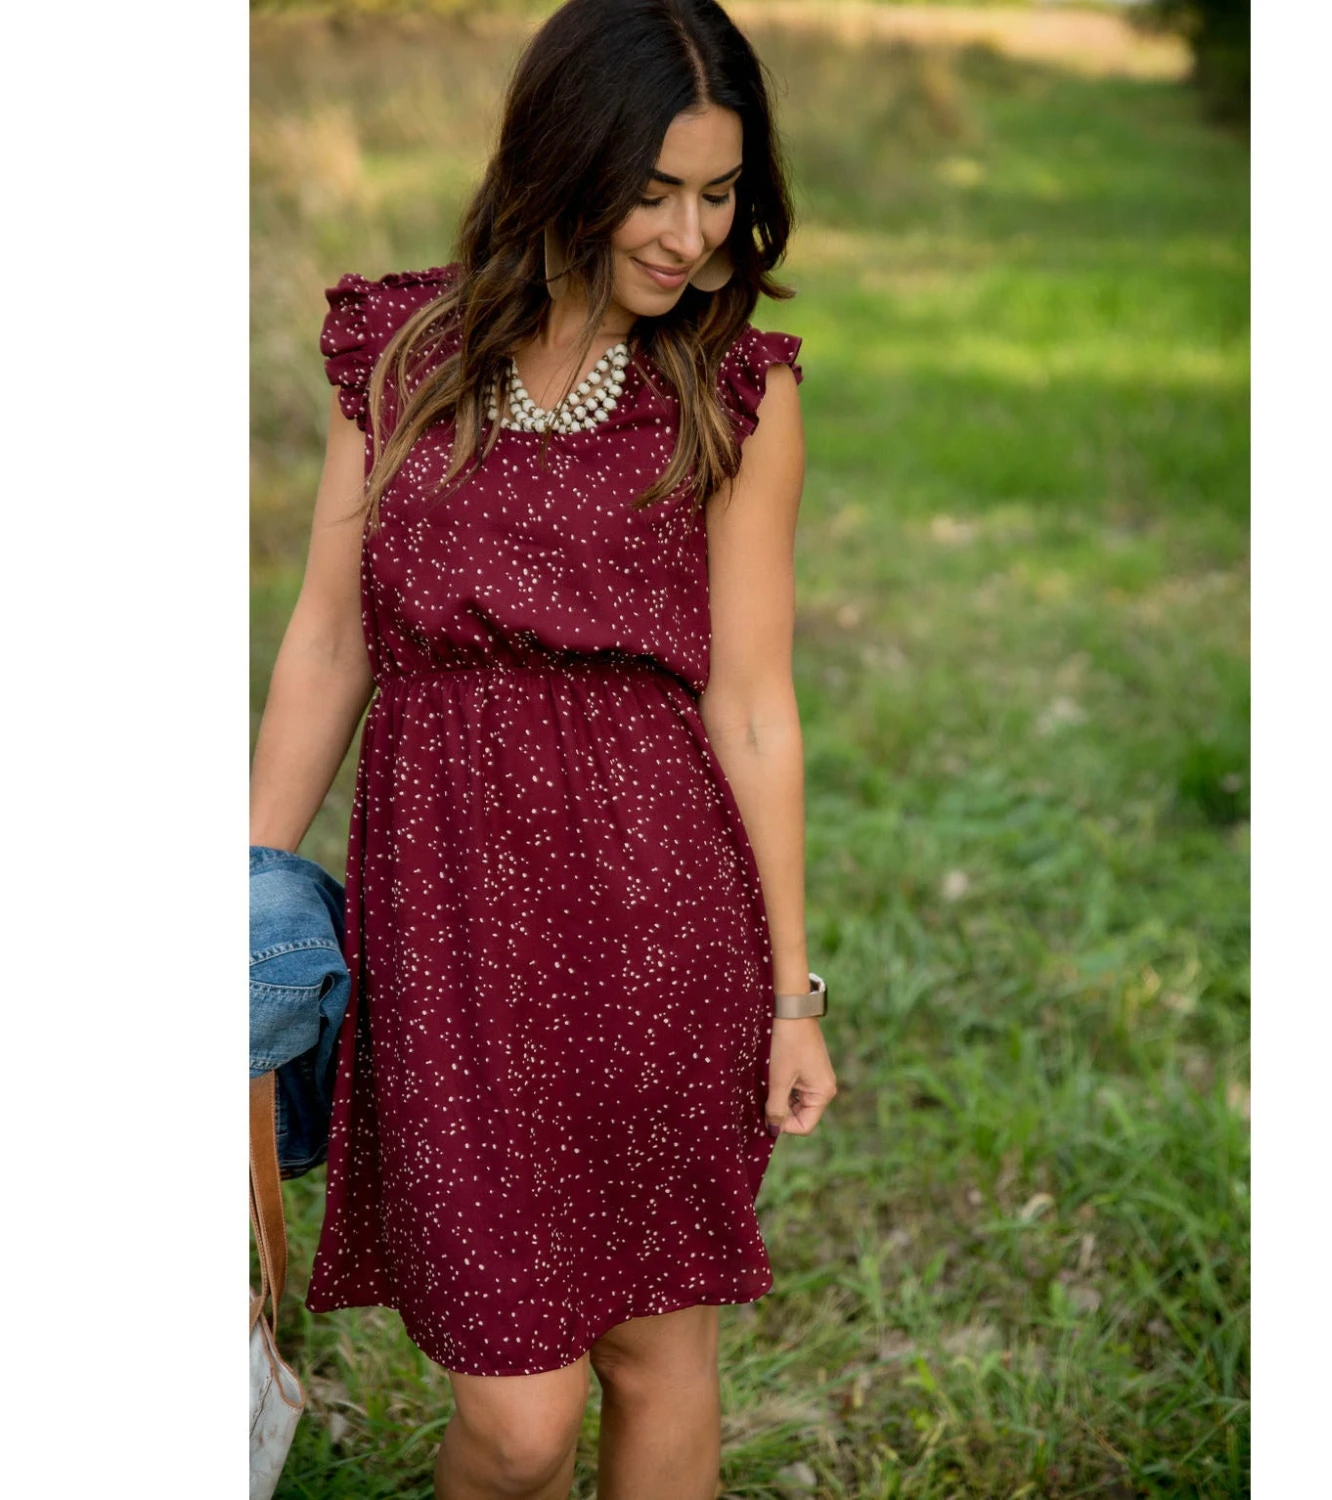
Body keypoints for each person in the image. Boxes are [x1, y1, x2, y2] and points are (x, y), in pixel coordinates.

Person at [247, 1, 839, 1495]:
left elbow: (754, 704)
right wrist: (243, 888)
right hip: (449, 926)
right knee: (517, 1424)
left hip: (659, 923)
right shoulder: (406, 355)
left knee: (656, 1359)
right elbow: (330, 639)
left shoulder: (733, 388)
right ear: (560, 161)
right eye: (655, 192)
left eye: (720, 195)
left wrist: (791, 995)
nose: (690, 236)